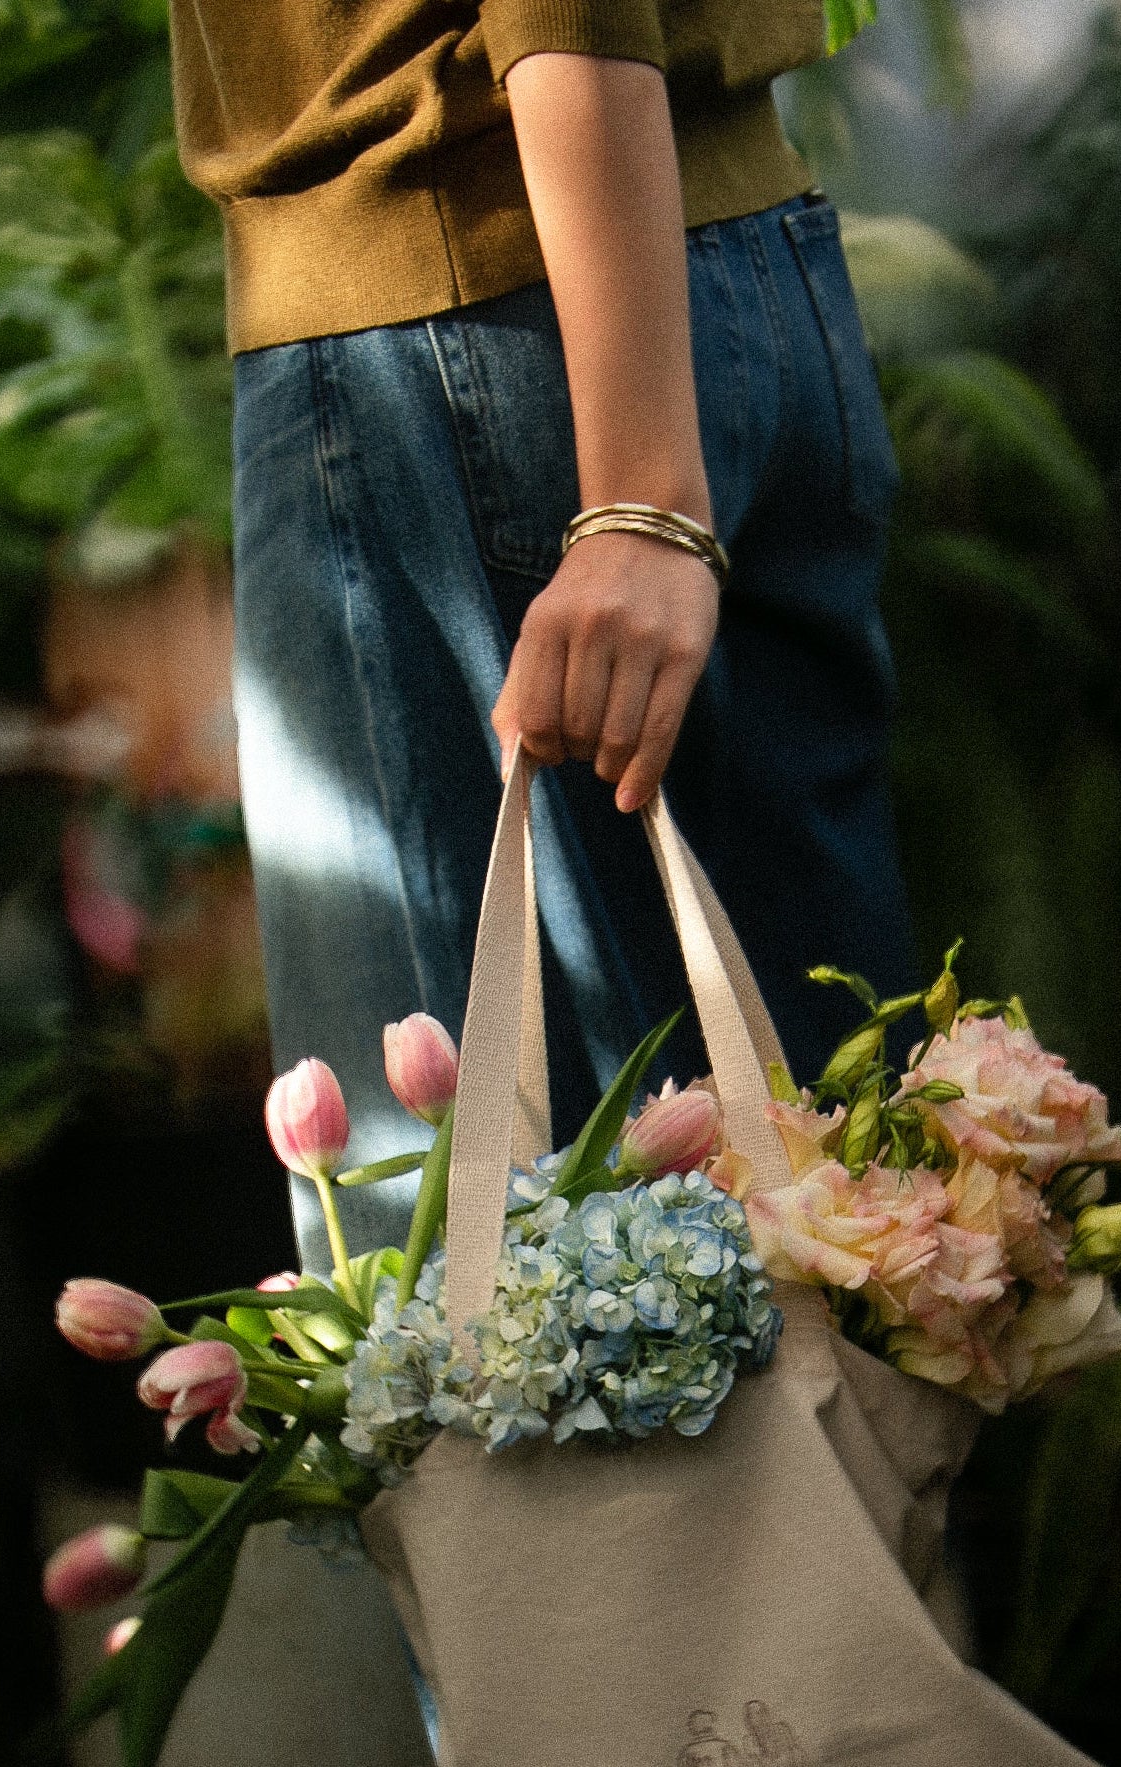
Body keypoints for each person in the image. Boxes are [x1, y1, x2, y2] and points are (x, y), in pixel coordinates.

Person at [168, 0, 922, 1262]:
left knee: (497, 1304)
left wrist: (639, 496)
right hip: (696, 263)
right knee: (839, 1223)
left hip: (479, 306)